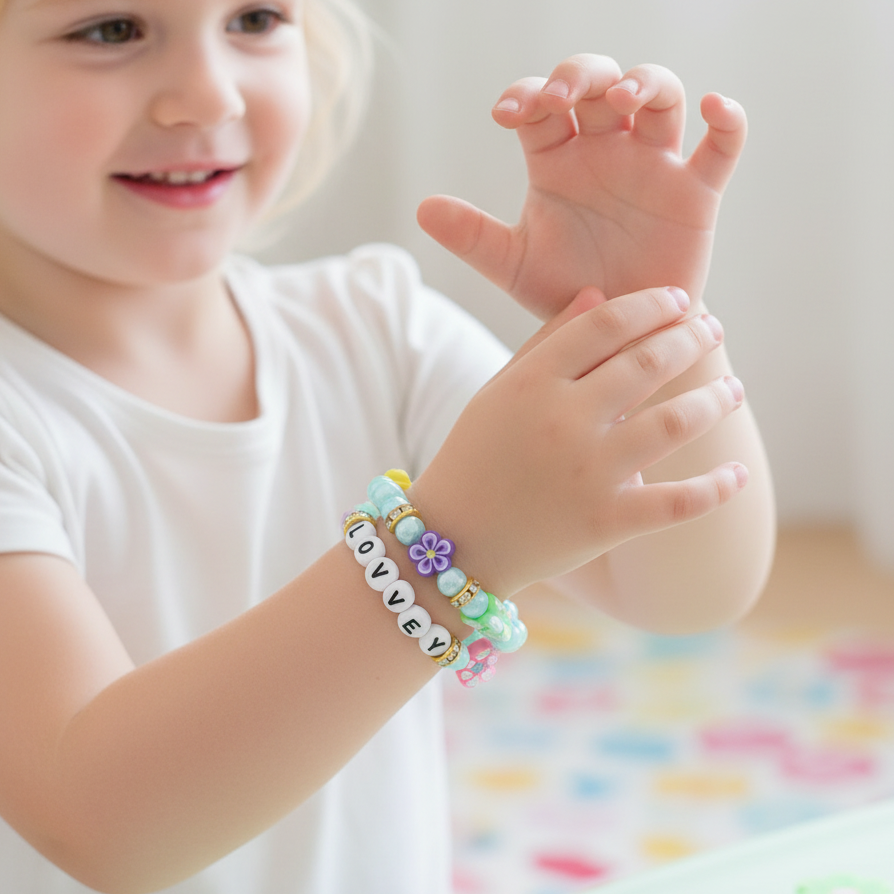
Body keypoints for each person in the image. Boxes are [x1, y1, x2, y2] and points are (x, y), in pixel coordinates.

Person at [0, 0, 775, 892]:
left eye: (254, 19)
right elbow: (103, 826)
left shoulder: (372, 327)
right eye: (111, 32)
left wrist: (653, 330)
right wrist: (449, 546)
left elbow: (689, 589)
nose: (207, 98)